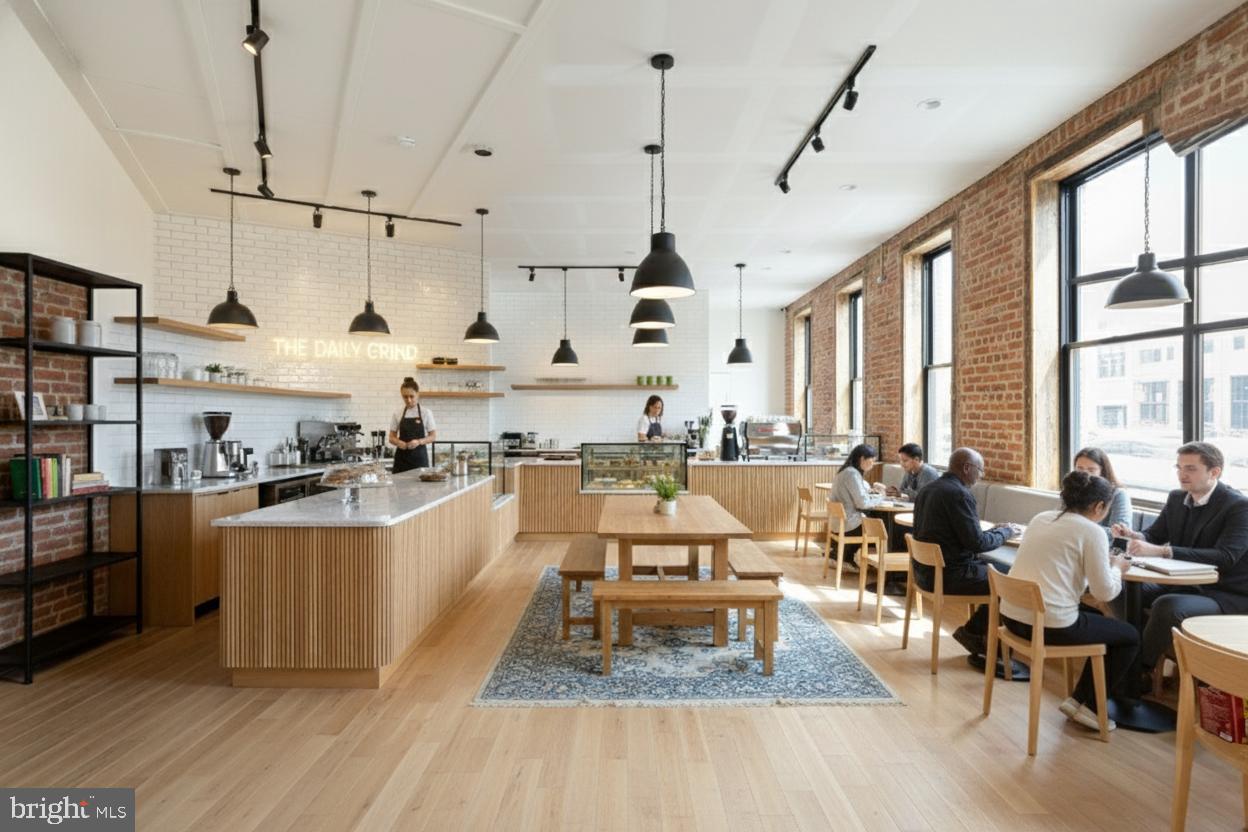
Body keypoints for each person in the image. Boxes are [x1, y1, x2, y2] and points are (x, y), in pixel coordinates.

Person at [1000, 470, 1137, 732]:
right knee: (1129, 635)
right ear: (1099, 506)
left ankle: (1078, 701)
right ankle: (1091, 708)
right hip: (1049, 625)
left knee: (1102, 623)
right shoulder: (1092, 531)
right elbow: (1105, 593)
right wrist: (1118, 568)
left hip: (1014, 617)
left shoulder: (1041, 518)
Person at [1110, 442, 1248, 674]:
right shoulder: (1176, 498)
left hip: (1224, 592)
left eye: (1191, 469)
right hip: (1181, 583)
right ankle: (1140, 653)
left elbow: (1225, 557)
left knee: (1168, 606)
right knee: (1117, 587)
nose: (1182, 475)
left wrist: (1164, 551)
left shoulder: (1239, 507)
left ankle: (1137, 670)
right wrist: (1135, 535)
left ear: (1214, 472)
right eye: (1179, 467)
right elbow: (1155, 535)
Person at [911, 447, 1024, 673]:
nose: (980, 476)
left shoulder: (928, 489)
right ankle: (985, 644)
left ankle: (976, 635)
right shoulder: (959, 494)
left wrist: (994, 531)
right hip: (950, 575)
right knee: (1012, 583)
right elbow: (978, 543)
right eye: (979, 471)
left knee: (1007, 572)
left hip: (924, 573)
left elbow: (965, 536)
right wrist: (1007, 532)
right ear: (967, 468)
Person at [830, 443, 886, 568]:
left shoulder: (846, 471)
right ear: (862, 459)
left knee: (875, 521)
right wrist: (881, 496)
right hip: (849, 525)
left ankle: (842, 556)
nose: (873, 464)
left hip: (839, 523)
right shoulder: (852, 474)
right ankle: (883, 566)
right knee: (884, 528)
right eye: (872, 460)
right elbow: (862, 503)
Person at [1072, 447, 1132, 544]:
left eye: (1091, 470)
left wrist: (1078, 529)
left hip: (1105, 548)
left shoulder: (1118, 495)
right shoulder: (1072, 491)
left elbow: (1120, 533)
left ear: (1102, 471)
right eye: (1080, 469)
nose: (1085, 475)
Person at [388, 377, 437, 473]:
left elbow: (433, 436)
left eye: (412, 396)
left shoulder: (426, 412)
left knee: (421, 487)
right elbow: (391, 437)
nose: (409, 400)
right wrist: (398, 442)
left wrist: (419, 442)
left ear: (418, 394)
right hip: (401, 460)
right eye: (405, 397)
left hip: (419, 460)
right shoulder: (397, 413)